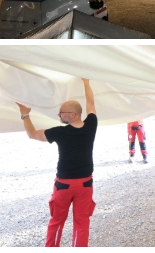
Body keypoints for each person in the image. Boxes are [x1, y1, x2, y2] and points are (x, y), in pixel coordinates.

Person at [17, 78, 97, 247]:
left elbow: (31, 134)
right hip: (85, 184)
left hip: (64, 186)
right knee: (82, 223)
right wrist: (86, 83)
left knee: (57, 222)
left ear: (73, 115)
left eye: (62, 112)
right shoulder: (91, 125)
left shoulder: (59, 132)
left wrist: (25, 114)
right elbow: (90, 102)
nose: (59, 115)